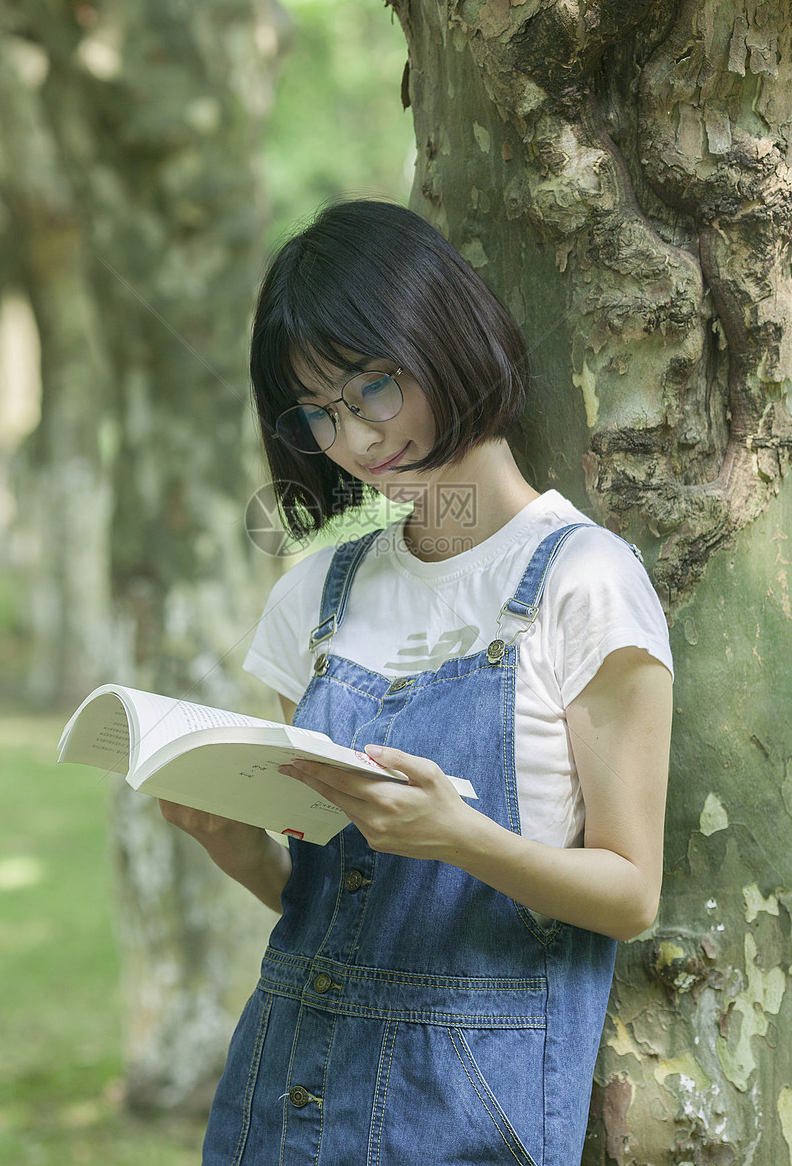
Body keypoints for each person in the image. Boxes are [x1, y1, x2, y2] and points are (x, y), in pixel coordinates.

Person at [160, 199, 674, 1166]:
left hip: (467, 1109)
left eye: (373, 388)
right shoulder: (314, 596)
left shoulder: (585, 581)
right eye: (321, 412)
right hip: (284, 1091)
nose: (354, 439)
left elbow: (630, 892)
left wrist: (461, 838)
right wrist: (234, 844)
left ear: (446, 337)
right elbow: (332, 905)